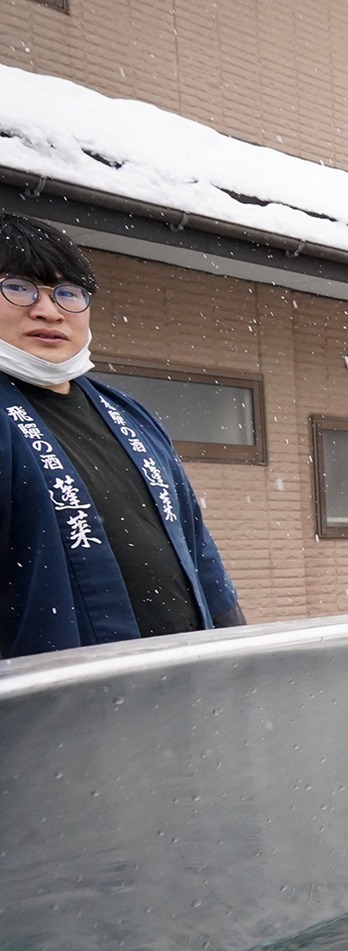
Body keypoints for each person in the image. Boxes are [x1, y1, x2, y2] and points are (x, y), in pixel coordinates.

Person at [0, 214, 242, 658]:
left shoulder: (129, 413)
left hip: (180, 683)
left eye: (68, 293)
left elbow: (195, 545)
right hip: (53, 705)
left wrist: (234, 642)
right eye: (18, 287)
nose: (48, 310)